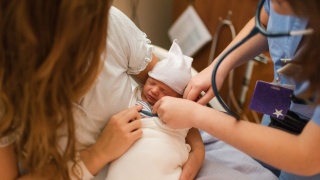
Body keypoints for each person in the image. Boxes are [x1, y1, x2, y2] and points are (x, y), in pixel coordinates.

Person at [0, 3, 204, 180]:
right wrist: (97, 154)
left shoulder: (108, 23)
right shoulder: (7, 88)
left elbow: (173, 92)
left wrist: (196, 147)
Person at [153, 0, 320, 179]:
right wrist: (219, 66)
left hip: (308, 143)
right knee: (258, 169)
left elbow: (307, 156)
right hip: (279, 105)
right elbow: (263, 23)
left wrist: (197, 115)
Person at [106, 40, 205, 180]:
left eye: (165, 91)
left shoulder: (182, 113)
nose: (154, 91)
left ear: (178, 99)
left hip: (163, 152)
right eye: (151, 83)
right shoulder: (134, 96)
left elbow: (197, 145)